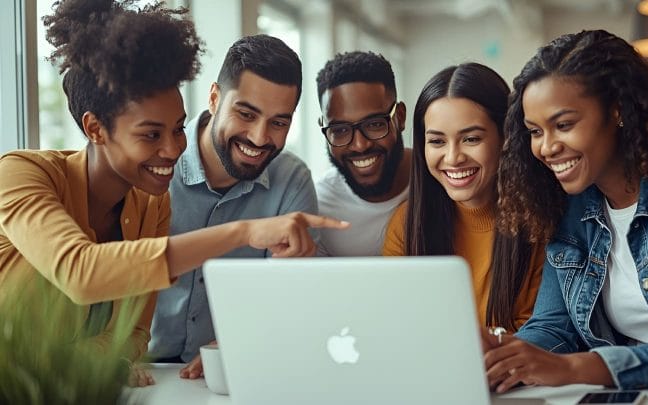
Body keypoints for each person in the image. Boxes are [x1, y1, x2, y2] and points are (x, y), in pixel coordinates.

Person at [0, 0, 346, 388]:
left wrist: (92, 363)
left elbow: (133, 334)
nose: (172, 149)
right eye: (151, 134)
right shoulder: (20, 173)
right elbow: (82, 271)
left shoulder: (150, 203)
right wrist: (244, 231)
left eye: (178, 128)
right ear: (95, 129)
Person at [484, 29, 648, 392]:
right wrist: (503, 358)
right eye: (534, 131)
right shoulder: (569, 207)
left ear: (618, 111)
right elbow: (554, 327)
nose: (546, 148)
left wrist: (577, 368)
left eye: (563, 125)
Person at [147, 34, 331, 378]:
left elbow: (293, 297)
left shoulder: (291, 180)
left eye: (279, 122)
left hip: (229, 373)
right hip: (140, 370)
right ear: (215, 98)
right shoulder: (153, 165)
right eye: (246, 114)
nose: (260, 138)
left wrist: (239, 340)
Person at [383, 63, 544, 332]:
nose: (453, 158)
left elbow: (540, 334)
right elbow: (397, 324)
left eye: (470, 139)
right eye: (437, 141)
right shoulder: (407, 224)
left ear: (506, 137)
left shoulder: (539, 221)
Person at [314, 51, 411, 256]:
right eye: (340, 130)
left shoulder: (440, 181)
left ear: (400, 117)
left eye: (375, 124)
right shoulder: (317, 207)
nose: (360, 145)